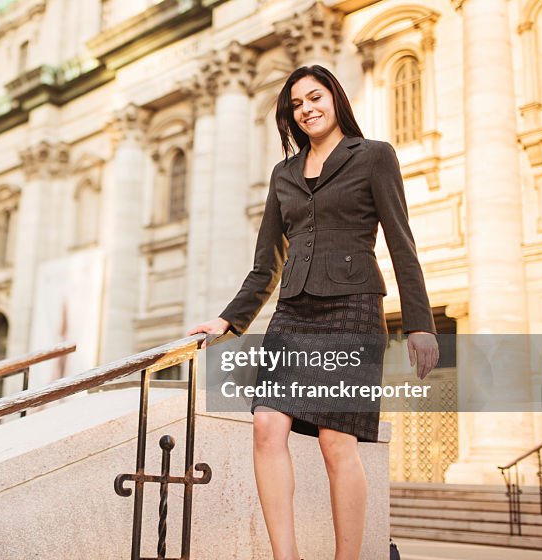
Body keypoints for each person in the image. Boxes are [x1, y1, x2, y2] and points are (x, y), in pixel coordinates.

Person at [187, 65, 440, 560]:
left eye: (314, 96)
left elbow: (401, 242)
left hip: (352, 310)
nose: (307, 108)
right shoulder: (284, 174)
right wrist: (227, 321)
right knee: (266, 425)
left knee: (335, 442)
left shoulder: (373, 156)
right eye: (296, 104)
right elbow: (267, 265)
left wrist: (419, 324)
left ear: (335, 98)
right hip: (293, 315)